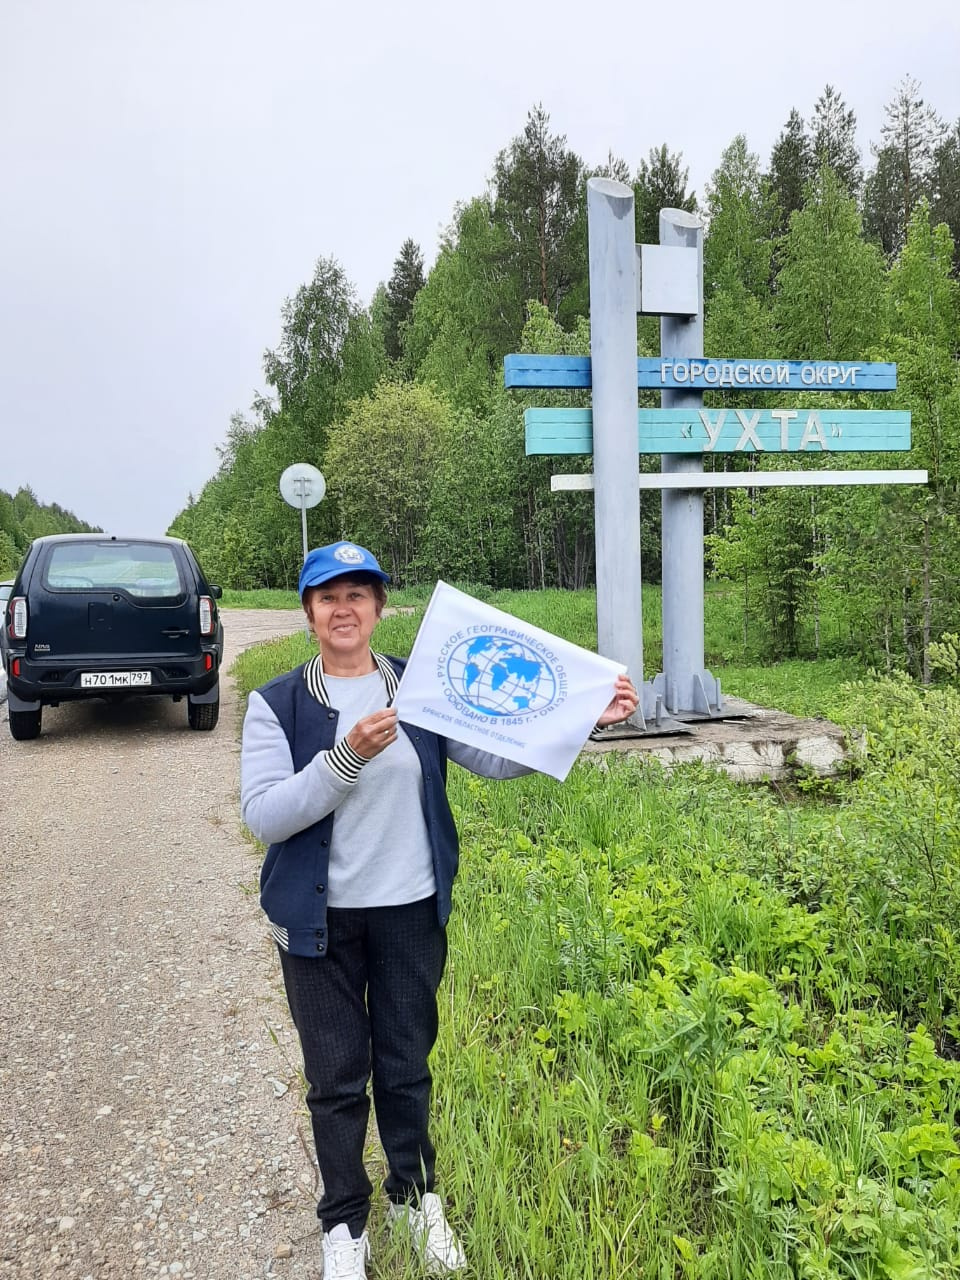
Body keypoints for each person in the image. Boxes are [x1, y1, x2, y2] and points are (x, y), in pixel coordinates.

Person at [240, 541, 639, 1279]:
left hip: (409, 912)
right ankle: (344, 1225)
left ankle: (413, 1198)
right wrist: (345, 757)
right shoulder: (278, 704)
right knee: (335, 1079)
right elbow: (266, 815)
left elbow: (494, 756)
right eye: (328, 597)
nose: (344, 609)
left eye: (358, 595)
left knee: (404, 1065)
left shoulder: (420, 688)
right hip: (318, 924)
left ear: (380, 607)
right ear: (308, 614)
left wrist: (586, 719)